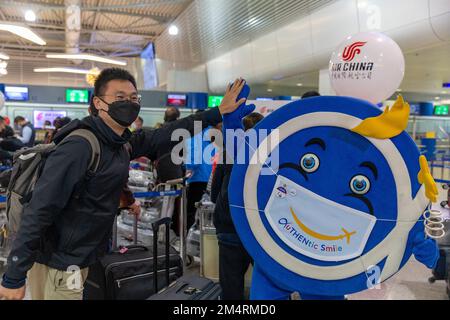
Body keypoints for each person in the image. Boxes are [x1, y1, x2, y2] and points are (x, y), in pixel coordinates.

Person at [0, 68, 247, 300]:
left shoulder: (119, 143)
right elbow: (40, 208)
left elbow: (165, 133)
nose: (128, 103)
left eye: (133, 97)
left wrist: (217, 113)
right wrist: (13, 275)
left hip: (80, 258)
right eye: (119, 96)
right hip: (60, 263)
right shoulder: (80, 146)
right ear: (98, 103)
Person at [211, 112, 264, 300]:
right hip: (260, 231)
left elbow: (214, 191)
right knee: (268, 286)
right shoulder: (271, 155)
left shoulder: (228, 152)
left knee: (231, 286)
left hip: (229, 224)